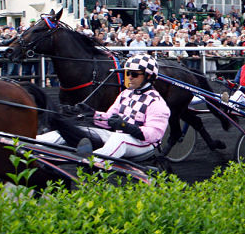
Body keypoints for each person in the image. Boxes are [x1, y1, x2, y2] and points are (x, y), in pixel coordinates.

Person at [38, 54, 170, 161]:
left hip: (143, 144)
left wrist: (125, 126)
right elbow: (109, 119)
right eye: (128, 73)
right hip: (119, 137)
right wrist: (90, 113)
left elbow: (154, 135)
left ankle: (93, 162)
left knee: (119, 139)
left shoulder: (156, 102)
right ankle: (35, 142)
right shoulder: (125, 94)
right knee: (76, 129)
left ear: (148, 76)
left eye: (134, 74)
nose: (129, 77)